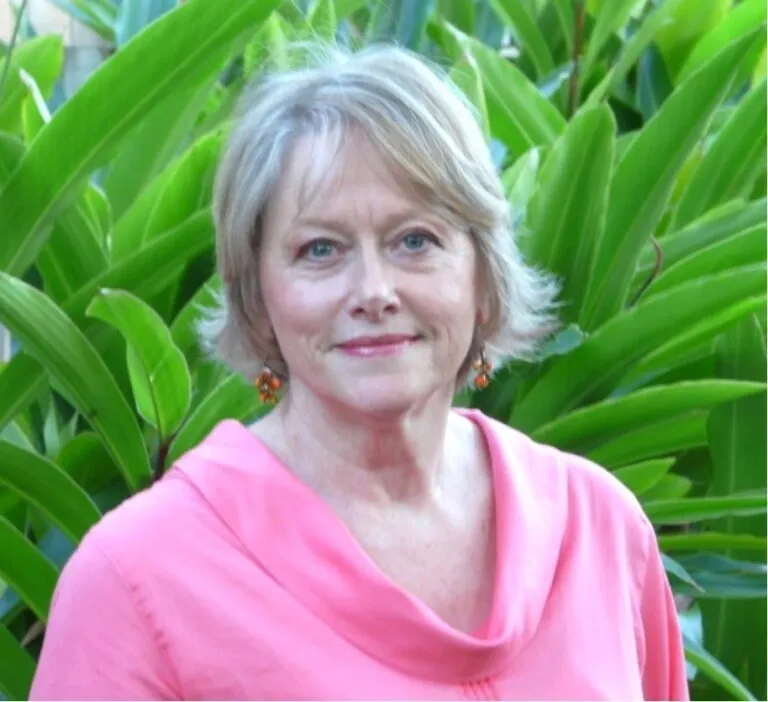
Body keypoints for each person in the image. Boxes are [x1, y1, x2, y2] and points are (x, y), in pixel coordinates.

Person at [30, 43, 689, 701]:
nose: (374, 290)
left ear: (483, 277)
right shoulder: (139, 580)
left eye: (415, 240)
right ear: (257, 298)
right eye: (321, 249)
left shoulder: (598, 525)